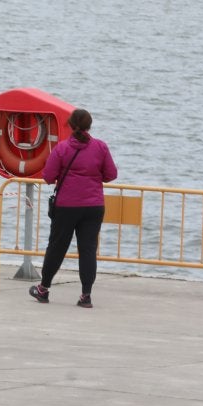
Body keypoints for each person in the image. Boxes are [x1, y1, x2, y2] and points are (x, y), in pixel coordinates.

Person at [29, 107, 118, 309]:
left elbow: (48, 176)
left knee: (57, 247)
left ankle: (43, 289)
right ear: (89, 126)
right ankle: (85, 296)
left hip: (66, 206)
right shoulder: (101, 147)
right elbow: (111, 174)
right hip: (94, 206)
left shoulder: (61, 149)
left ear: (70, 125)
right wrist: (94, 177)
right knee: (88, 250)